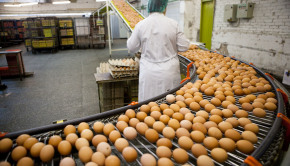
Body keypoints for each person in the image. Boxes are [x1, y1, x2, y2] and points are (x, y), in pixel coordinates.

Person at [127, 0, 190, 102]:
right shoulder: (173, 24)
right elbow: (184, 46)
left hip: (149, 72)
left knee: (148, 106)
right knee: (170, 105)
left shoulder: (141, 25)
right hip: (169, 72)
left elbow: (132, 47)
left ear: (149, 7)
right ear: (164, 7)